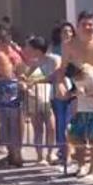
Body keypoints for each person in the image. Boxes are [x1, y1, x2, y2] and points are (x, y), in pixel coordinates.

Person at [22, 36, 60, 166]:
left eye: (30, 48)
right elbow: (27, 77)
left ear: (37, 49)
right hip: (37, 98)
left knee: (51, 127)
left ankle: (51, 153)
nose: (27, 50)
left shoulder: (54, 59)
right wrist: (24, 79)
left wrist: (38, 80)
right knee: (37, 128)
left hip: (52, 97)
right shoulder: (35, 62)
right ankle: (40, 156)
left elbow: (56, 75)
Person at [64, 62, 93, 180]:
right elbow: (74, 88)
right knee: (75, 136)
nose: (74, 79)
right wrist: (71, 93)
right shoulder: (75, 77)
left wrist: (87, 94)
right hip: (81, 110)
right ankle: (82, 165)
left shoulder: (92, 76)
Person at [0, 43, 22, 167]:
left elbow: (8, 76)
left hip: (10, 96)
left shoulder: (4, 57)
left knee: (13, 125)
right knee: (2, 126)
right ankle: (10, 154)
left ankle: (16, 156)